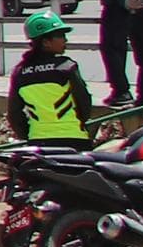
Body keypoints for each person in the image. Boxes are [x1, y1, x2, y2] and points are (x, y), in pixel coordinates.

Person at [7, 8, 96, 148]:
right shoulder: (66, 67)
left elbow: (14, 114)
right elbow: (84, 103)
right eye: (60, 35)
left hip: (38, 142)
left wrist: (28, 135)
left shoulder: (19, 72)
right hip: (74, 140)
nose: (65, 40)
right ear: (45, 42)